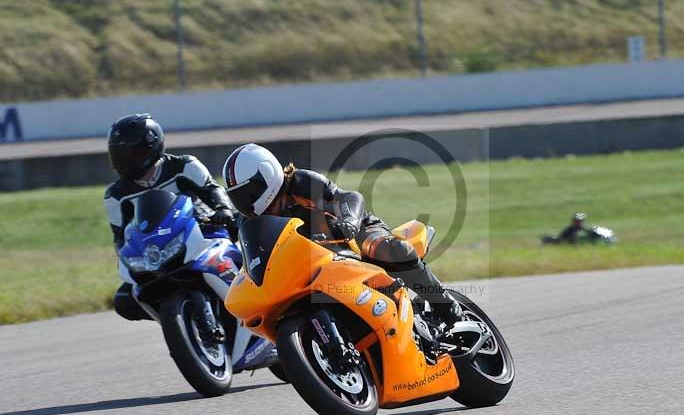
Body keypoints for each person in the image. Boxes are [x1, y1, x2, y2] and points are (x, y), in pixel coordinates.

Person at [221, 143, 462, 326]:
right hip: (314, 260)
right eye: (237, 197)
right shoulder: (251, 220)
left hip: (351, 234)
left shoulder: (300, 183)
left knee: (387, 249)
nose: (245, 202)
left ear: (267, 175)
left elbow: (348, 197)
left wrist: (350, 221)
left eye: (248, 193)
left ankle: (447, 308)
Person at [104, 113, 236, 321]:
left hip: (205, 234)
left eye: (128, 154)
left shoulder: (183, 166)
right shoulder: (116, 196)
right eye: (117, 155)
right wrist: (129, 259)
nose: (122, 162)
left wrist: (223, 209)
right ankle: (179, 321)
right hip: (159, 253)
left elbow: (212, 189)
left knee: (248, 239)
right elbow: (120, 237)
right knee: (124, 299)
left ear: (150, 146)